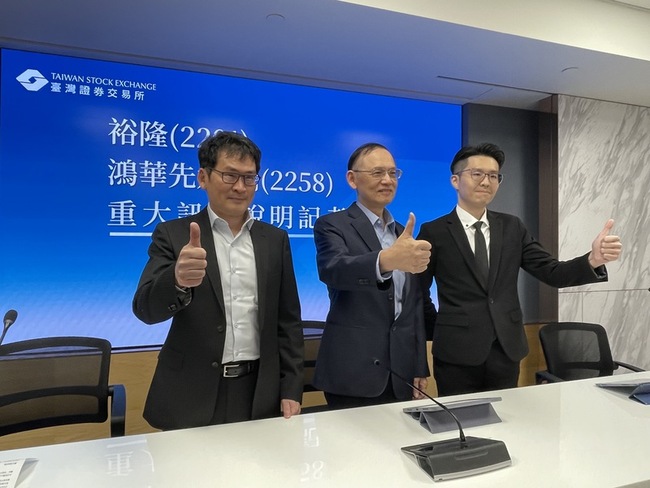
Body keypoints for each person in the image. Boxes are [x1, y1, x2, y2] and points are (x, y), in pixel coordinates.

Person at [417, 142, 622, 396]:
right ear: (455, 181)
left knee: (507, 416)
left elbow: (552, 272)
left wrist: (592, 260)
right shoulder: (434, 231)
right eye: (477, 173)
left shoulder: (512, 227)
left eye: (494, 176)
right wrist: (440, 327)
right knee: (459, 418)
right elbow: (417, 293)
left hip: (506, 350)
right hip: (456, 353)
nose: (486, 181)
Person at [132, 131, 303, 430]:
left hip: (259, 390)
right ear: (203, 177)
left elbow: (288, 320)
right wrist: (177, 279)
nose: (240, 187)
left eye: (249, 178)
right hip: (190, 391)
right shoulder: (173, 234)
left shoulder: (275, 240)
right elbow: (145, 310)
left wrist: (291, 387)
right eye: (229, 175)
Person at [312, 143, 431, 409]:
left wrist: (419, 365)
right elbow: (334, 269)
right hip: (352, 371)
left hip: (401, 373)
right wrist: (386, 260)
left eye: (393, 173)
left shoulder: (402, 233)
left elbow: (413, 307)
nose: (387, 180)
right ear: (352, 179)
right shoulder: (332, 224)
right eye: (377, 172)